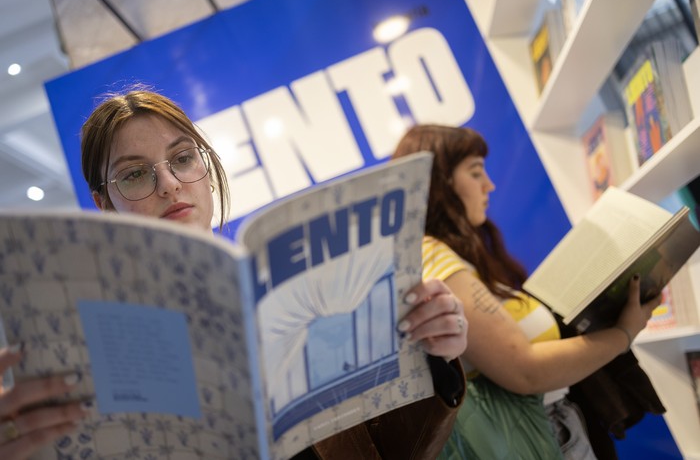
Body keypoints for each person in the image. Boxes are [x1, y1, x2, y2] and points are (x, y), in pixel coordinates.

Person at [0, 87, 468, 460]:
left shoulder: (298, 292)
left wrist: (433, 354)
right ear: (105, 204)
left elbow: (392, 448)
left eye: (182, 158)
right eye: (135, 175)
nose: (170, 184)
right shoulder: (93, 350)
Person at [391, 124, 663, 460]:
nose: (488, 185)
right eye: (476, 172)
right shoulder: (430, 254)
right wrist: (624, 332)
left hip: (549, 428)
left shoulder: (455, 256)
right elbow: (525, 370)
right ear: (439, 182)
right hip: (536, 436)